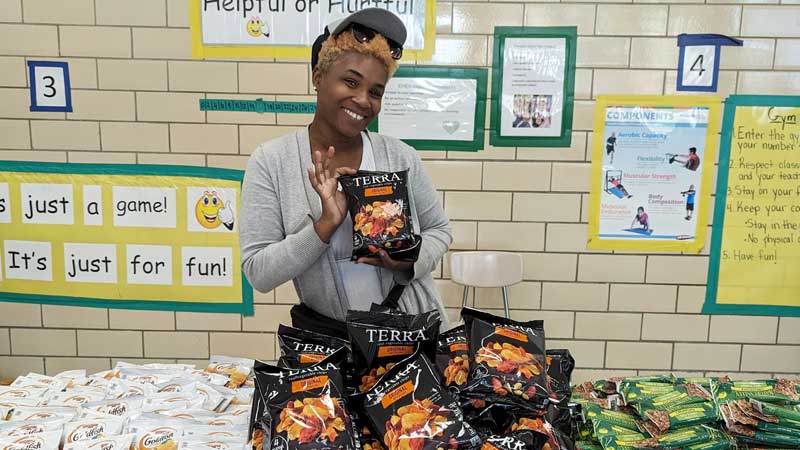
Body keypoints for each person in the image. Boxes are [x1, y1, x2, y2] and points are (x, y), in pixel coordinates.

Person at [239, 9, 452, 337]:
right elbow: (258, 273)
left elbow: (439, 230)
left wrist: (407, 260)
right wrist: (323, 228)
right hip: (333, 345)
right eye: (350, 81)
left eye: (376, 91)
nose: (363, 100)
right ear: (318, 77)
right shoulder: (272, 161)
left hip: (411, 336)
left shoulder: (400, 156)